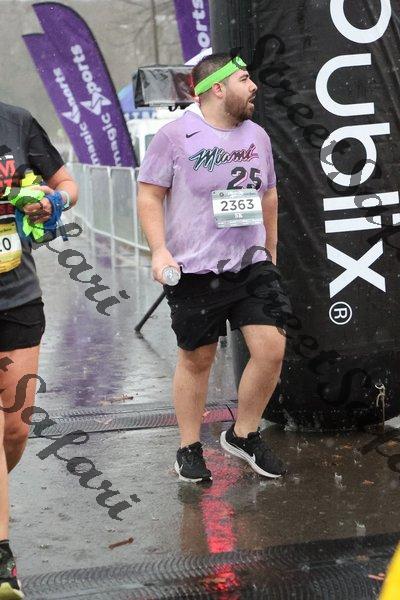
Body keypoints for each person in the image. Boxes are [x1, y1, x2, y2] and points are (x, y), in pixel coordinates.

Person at [137, 53, 291, 484]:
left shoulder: (258, 135)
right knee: (197, 359)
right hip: (195, 270)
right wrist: (159, 251)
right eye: (244, 79)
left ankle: (243, 434)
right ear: (217, 88)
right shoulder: (175, 136)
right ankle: (188, 447)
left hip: (250, 265)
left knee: (271, 349)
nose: (254, 86)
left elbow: (268, 195)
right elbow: (149, 194)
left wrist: (270, 251)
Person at [0, 101, 78, 598]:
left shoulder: (16, 122)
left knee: (15, 428)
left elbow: (66, 184)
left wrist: (52, 203)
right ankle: (1, 556)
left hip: (17, 298)